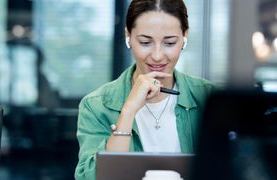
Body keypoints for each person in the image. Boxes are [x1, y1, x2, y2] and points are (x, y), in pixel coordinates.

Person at [75, 0, 215, 179]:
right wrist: (128, 111)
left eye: (170, 43)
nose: (157, 56)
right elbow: (90, 177)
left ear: (184, 37)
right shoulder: (96, 105)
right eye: (145, 42)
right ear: (128, 36)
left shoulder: (208, 98)